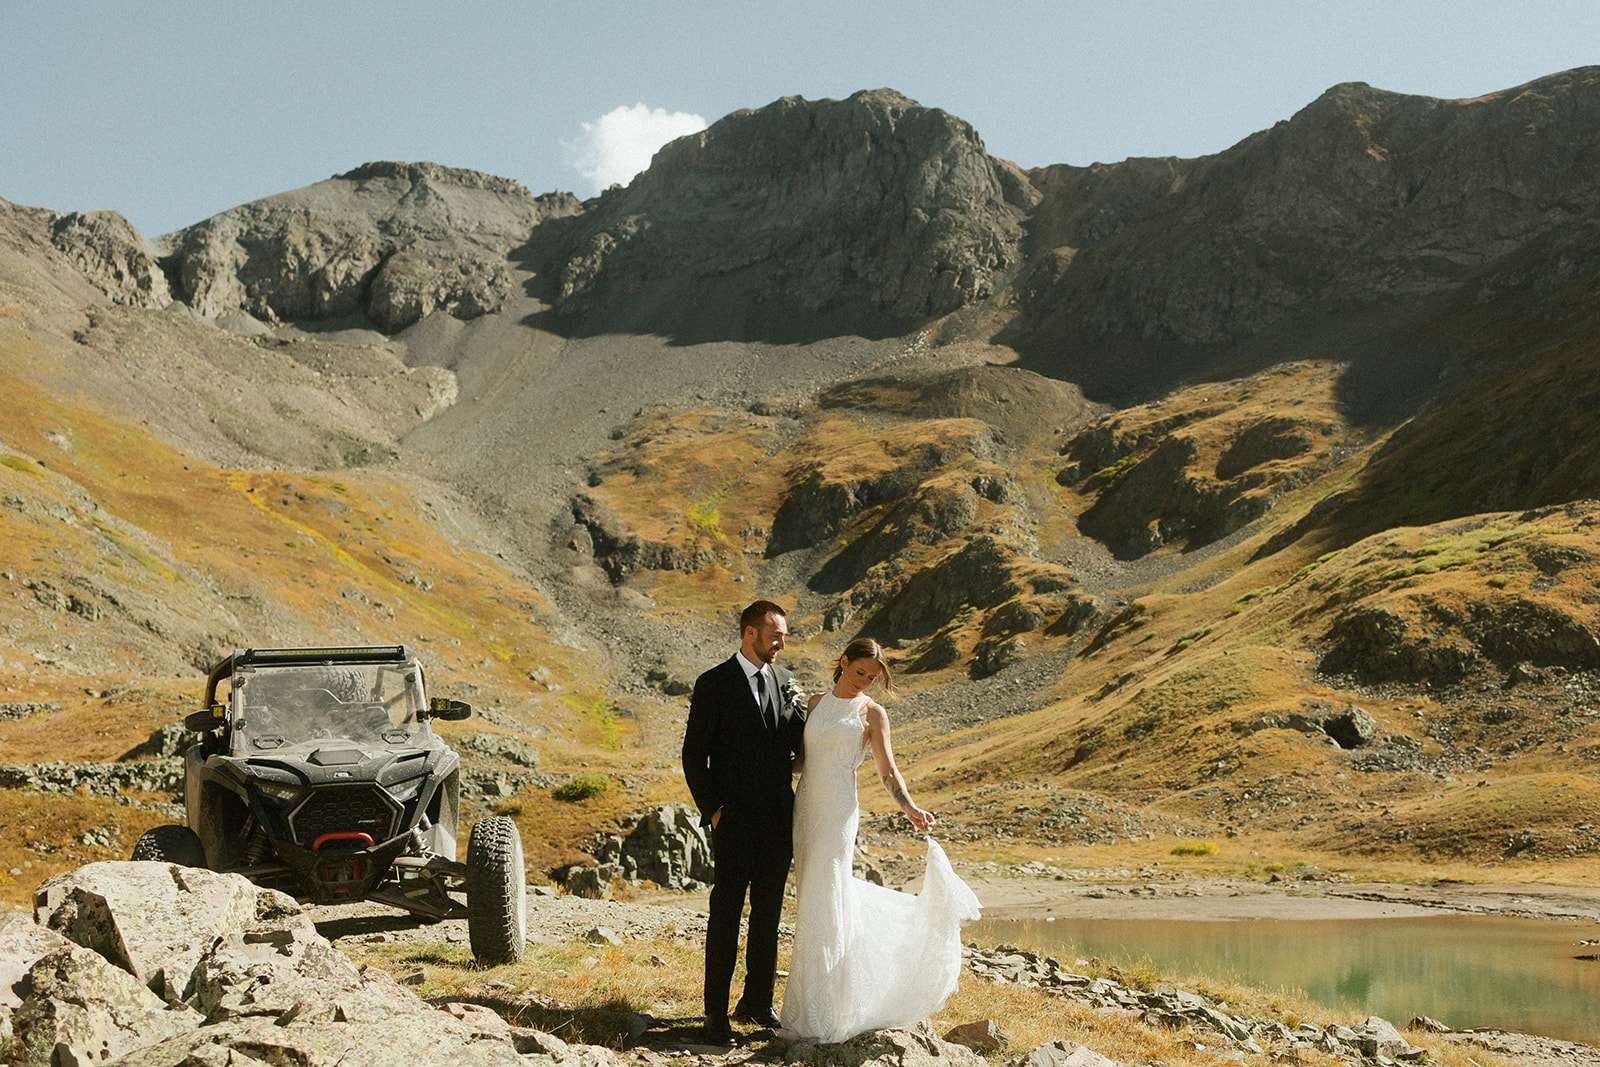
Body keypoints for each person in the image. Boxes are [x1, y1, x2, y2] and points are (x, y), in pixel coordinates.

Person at [779, 637, 981, 1044]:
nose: (864, 683)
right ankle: (807, 1008)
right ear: (843, 662)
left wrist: (909, 807)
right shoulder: (816, 703)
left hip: (838, 810)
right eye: (859, 673)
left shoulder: (872, 714)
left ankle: (831, 1012)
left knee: (829, 893)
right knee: (811, 899)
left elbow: (888, 771)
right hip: (806, 807)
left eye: (871, 678)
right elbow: (801, 760)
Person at [682, 600, 806, 1046]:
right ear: (749, 633)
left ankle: (756, 1000)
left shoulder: (787, 681)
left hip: (778, 821)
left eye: (785, 635)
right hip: (732, 821)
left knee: (769, 915)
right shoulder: (713, 683)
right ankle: (715, 1014)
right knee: (726, 915)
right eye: (776, 634)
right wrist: (713, 810)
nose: (782, 642)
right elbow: (694, 753)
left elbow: (798, 744)